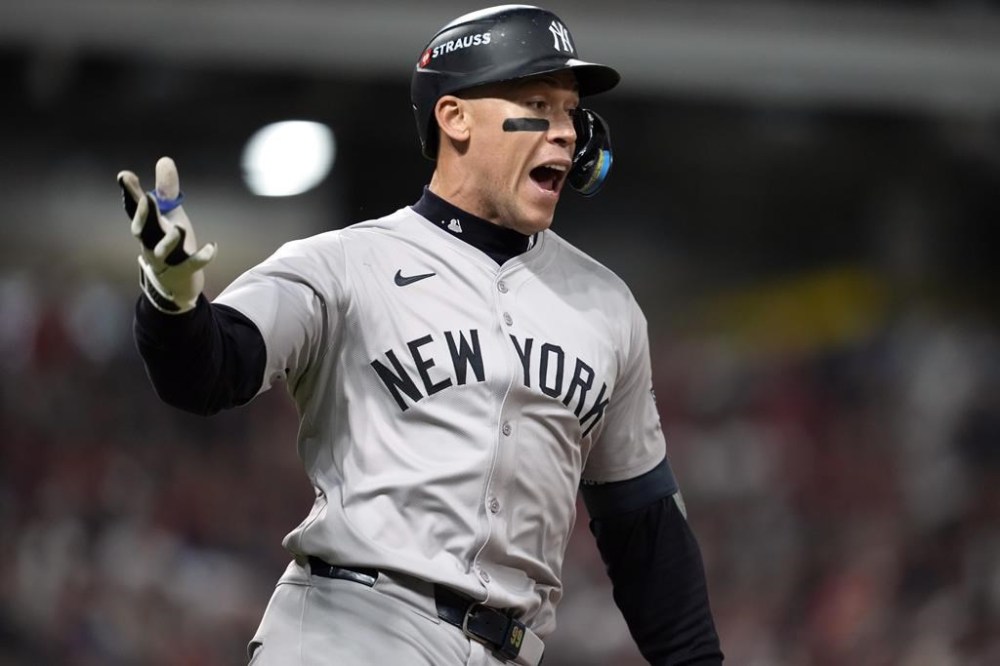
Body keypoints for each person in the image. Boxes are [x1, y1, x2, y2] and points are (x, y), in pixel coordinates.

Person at [120, 5, 723, 665]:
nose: (565, 133)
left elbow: (646, 532)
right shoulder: (343, 264)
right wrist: (173, 300)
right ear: (455, 117)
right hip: (349, 631)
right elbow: (211, 372)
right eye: (536, 104)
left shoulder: (608, 307)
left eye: (570, 112)